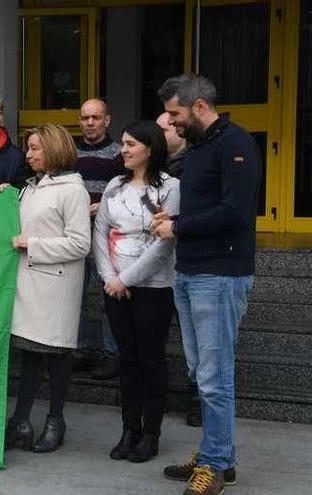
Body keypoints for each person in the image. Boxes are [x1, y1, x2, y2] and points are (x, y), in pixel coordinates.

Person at [152, 74, 260, 495]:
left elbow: (234, 213)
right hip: (192, 271)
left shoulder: (236, 144)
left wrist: (177, 226)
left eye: (176, 114)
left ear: (199, 107)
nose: (172, 123)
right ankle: (219, 454)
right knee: (202, 372)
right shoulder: (197, 147)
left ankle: (215, 464)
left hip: (220, 274)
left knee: (214, 375)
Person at [93, 120, 180, 463]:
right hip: (114, 288)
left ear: (150, 147)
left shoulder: (169, 187)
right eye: (123, 144)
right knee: (126, 360)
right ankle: (129, 428)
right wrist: (110, 278)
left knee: (151, 359)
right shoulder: (115, 186)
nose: (124, 150)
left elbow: (163, 246)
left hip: (153, 289)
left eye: (130, 144)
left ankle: (151, 433)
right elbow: (100, 234)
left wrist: (126, 279)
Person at [3, 123, 90, 454]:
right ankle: (21, 422)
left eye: (35, 148)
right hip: (29, 282)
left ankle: (56, 421)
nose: (29, 154)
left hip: (55, 285)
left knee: (55, 355)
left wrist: (33, 244)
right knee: (29, 354)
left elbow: (80, 243)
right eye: (29, 148)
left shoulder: (73, 190)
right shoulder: (30, 187)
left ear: (54, 149)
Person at [157, 111, 201, 429]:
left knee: (195, 335)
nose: (162, 132)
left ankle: (198, 396)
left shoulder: (195, 164)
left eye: (165, 126)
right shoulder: (154, 168)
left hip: (190, 259)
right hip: (160, 261)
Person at [74, 98, 124, 380]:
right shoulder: (69, 152)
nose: (90, 123)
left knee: (109, 297)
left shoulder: (120, 153)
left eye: (96, 117)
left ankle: (111, 353)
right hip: (76, 232)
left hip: (107, 235)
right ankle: (80, 349)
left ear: (107, 120)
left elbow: (128, 192)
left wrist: (102, 206)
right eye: (85, 118)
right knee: (74, 295)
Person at [157, 112, 188, 179]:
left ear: (179, 131)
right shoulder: (153, 159)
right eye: (156, 131)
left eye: (163, 130)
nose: (157, 135)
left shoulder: (192, 163)